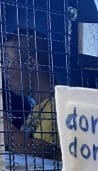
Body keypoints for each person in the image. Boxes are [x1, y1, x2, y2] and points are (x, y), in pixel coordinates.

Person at [1, 28, 59, 158]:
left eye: (7, 61)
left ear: (32, 64)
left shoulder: (56, 107)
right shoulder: (39, 107)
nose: (3, 70)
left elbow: (44, 151)